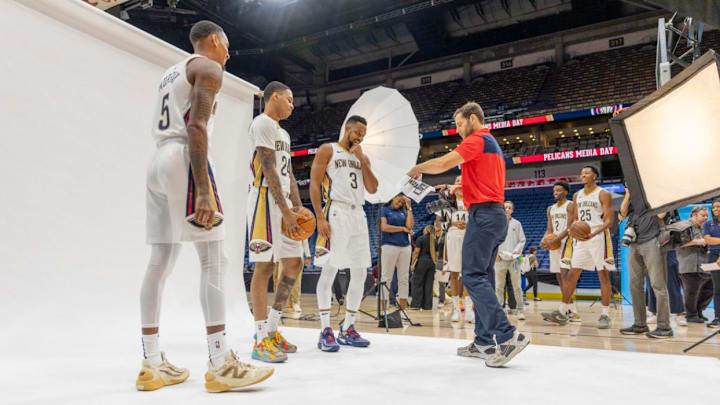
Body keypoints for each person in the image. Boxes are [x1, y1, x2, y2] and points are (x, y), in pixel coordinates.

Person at [138, 21, 272, 392]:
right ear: (213, 41)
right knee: (214, 259)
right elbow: (196, 126)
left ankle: (150, 362)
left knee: (158, 263)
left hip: (157, 161)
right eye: (226, 45)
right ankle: (220, 362)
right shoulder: (209, 67)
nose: (229, 54)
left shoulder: (170, 72)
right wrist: (202, 189)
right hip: (185, 158)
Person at [407, 101, 529, 368]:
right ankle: (484, 341)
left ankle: (508, 336)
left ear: (473, 119)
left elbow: (447, 161)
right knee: (482, 276)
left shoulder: (477, 139)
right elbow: (482, 183)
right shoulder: (491, 145)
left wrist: (418, 168)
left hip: (483, 216)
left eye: (460, 124)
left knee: (472, 276)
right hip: (493, 214)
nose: (458, 130)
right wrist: (455, 189)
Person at [247, 81, 304, 363]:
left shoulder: (284, 133)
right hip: (264, 201)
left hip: (284, 204)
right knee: (265, 266)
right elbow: (269, 170)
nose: (293, 105)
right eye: (290, 100)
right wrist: (285, 209)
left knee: (294, 262)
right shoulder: (262, 124)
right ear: (276, 97)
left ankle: (272, 328)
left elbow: (288, 172)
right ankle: (259, 339)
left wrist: (298, 206)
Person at [310, 115, 377, 351]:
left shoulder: (362, 157)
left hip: (359, 213)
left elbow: (373, 188)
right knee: (330, 269)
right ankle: (325, 330)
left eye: (363, 134)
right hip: (336, 211)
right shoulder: (328, 149)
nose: (360, 137)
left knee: (360, 272)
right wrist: (319, 217)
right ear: (347, 128)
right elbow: (314, 183)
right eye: (357, 131)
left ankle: (348, 327)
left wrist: (363, 161)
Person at [544, 166, 616, 329]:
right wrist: (574, 231)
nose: (583, 175)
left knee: (603, 276)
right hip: (581, 240)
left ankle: (605, 315)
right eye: (582, 173)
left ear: (595, 176)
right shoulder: (577, 195)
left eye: (587, 173)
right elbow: (576, 219)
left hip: (598, 237)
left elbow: (609, 220)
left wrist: (593, 232)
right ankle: (563, 312)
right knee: (571, 275)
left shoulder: (603, 193)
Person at [617, 188, 673, 338]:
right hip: (635, 243)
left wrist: (650, 193)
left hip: (652, 241)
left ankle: (664, 327)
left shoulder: (657, 195)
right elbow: (622, 215)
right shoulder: (633, 200)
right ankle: (640, 324)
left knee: (658, 285)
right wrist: (629, 194)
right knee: (635, 285)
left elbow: (661, 214)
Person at [540, 182, 580, 322]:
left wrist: (556, 239)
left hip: (567, 243)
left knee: (565, 276)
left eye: (558, 190)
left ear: (565, 192)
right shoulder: (550, 208)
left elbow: (570, 227)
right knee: (559, 277)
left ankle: (570, 311)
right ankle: (570, 309)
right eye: (554, 191)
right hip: (555, 245)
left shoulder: (570, 205)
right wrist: (545, 239)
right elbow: (549, 228)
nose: (555, 193)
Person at [436, 176, 473, 322]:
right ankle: (456, 308)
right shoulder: (447, 203)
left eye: (462, 182)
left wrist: (469, 225)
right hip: (452, 237)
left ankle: (469, 309)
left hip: (469, 238)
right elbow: (439, 224)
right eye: (457, 182)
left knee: (468, 273)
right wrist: (452, 223)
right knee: (454, 273)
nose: (459, 185)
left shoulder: (472, 201)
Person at [677, 206, 712, 323]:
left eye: (707, 216)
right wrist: (697, 241)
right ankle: (691, 315)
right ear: (694, 214)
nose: (706, 218)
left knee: (710, 289)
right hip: (689, 265)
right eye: (703, 215)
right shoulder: (684, 226)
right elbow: (678, 243)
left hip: (704, 265)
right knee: (691, 292)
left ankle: (698, 311)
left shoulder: (704, 229)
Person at [379, 195, 414, 311]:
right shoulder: (384, 210)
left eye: (401, 203)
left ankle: (403, 310)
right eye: (398, 201)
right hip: (389, 245)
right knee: (386, 277)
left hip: (405, 247)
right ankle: (384, 309)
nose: (399, 204)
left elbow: (409, 226)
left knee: (404, 278)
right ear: (393, 197)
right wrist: (402, 229)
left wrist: (409, 208)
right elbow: (384, 227)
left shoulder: (404, 211)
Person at [495, 201, 526, 320]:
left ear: (512, 210)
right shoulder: (496, 224)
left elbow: (522, 240)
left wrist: (516, 252)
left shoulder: (517, 224)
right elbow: (493, 240)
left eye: (509, 208)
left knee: (517, 286)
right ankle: (500, 310)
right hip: (500, 259)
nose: (507, 209)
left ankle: (520, 310)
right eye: (505, 207)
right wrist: (495, 253)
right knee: (499, 286)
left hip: (514, 260)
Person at [410, 226, 438, 310]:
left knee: (417, 283)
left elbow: (416, 252)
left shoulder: (421, 239)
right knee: (429, 284)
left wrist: (412, 264)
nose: (423, 229)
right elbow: (436, 255)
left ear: (427, 230)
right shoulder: (435, 240)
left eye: (424, 228)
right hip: (432, 263)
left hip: (422, 261)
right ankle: (427, 305)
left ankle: (416, 304)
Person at [702, 200, 720, 328]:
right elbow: (707, 239)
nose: (715, 209)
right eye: (714, 207)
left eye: (718, 206)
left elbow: (712, 239)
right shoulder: (708, 224)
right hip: (713, 257)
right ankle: (717, 317)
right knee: (717, 289)